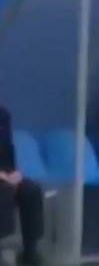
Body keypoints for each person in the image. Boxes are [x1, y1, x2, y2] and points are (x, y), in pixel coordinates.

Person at [0, 106, 44, 266]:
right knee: (3, 191)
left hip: (3, 174)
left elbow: (6, 153)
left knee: (30, 189)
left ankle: (30, 251)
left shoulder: (2, 115)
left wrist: (13, 173)